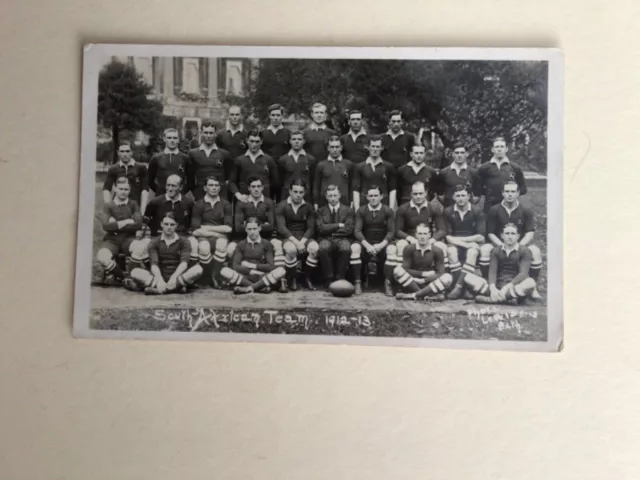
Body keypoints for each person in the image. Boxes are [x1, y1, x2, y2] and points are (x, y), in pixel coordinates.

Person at [479, 180, 543, 299]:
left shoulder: (526, 210)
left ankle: (533, 287)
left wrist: (518, 246)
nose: (509, 194)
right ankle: (489, 283)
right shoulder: (494, 210)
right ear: (502, 193)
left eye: (512, 191)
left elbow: (529, 232)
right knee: (485, 249)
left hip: (519, 243)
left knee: (535, 250)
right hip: (499, 244)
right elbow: (490, 233)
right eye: (507, 191)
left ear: (518, 193)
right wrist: (502, 245)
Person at [124, 212, 203, 294]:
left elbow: (184, 263)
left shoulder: (183, 241)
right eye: (166, 224)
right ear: (161, 224)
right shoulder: (154, 242)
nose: (169, 227)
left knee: (198, 269)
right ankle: (176, 288)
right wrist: (160, 280)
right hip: (160, 275)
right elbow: (154, 264)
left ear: (176, 225)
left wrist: (174, 277)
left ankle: (161, 290)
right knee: (135, 272)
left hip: (177, 275)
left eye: (172, 225)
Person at [464, 223, 537, 304]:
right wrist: (492, 288)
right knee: (468, 277)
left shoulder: (524, 251)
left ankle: (493, 300)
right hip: (498, 286)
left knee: (531, 282)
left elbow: (523, 274)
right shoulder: (496, 250)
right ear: (502, 236)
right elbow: (492, 271)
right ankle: (506, 299)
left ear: (518, 236)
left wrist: (507, 287)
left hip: (514, 287)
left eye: (513, 234)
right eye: (507, 233)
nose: (510, 236)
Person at [95, 177, 144, 284]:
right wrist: (127, 221)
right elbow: (106, 226)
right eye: (120, 189)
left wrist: (116, 224)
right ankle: (122, 276)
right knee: (102, 256)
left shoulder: (133, 204)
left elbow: (138, 224)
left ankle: (133, 276)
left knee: (140, 247)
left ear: (129, 190)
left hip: (128, 239)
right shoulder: (109, 205)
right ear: (115, 189)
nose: (123, 192)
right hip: (112, 241)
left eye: (126, 189)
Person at [272, 179, 319, 291]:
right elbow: (281, 227)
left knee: (315, 248)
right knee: (291, 249)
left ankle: (307, 278)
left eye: (301, 192)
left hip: (303, 237)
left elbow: (311, 227)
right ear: (290, 191)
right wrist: (296, 242)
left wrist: (302, 242)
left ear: (305, 193)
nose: (298, 195)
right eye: (295, 192)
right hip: (287, 237)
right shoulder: (281, 206)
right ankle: (293, 278)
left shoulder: (308, 206)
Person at [220, 217, 286, 295]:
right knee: (224, 271)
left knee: (281, 271)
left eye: (254, 229)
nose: (252, 232)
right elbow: (236, 266)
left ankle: (247, 288)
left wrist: (252, 266)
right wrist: (251, 271)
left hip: (262, 276)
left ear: (260, 228)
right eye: (249, 229)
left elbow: (270, 266)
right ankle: (257, 288)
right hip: (246, 276)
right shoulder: (241, 244)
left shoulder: (266, 243)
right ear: (245, 229)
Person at [442, 184, 486, 300]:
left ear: (469, 197)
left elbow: (481, 236)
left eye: (463, 195)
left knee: (472, 252)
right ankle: (464, 288)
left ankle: (459, 287)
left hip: (470, 244)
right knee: (451, 251)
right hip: (456, 244)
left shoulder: (477, 211)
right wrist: (466, 243)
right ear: (453, 197)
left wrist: (466, 241)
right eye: (458, 196)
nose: (460, 198)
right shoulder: (448, 211)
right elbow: (448, 237)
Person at [191, 176, 235, 287]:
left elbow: (229, 228)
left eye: (216, 185)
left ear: (220, 188)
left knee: (221, 245)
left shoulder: (226, 204)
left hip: (220, 237)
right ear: (205, 188)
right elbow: (195, 230)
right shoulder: (198, 204)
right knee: (204, 247)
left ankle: (215, 276)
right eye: (211, 185)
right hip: (205, 236)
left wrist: (206, 228)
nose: (214, 188)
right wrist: (216, 232)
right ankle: (208, 275)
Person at [393, 181, 448, 271]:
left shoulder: (433, 208)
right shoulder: (403, 209)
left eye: (420, 193)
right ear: (411, 194)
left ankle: (442, 276)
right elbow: (397, 230)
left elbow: (442, 230)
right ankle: (400, 276)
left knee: (442, 246)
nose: (418, 196)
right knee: (401, 244)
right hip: (410, 240)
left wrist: (432, 240)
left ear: (425, 193)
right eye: (415, 194)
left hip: (428, 238)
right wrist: (410, 239)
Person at [351, 186, 396, 296]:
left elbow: (391, 231)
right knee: (355, 248)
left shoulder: (387, 210)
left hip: (382, 243)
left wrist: (381, 245)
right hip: (366, 243)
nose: (373, 198)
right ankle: (357, 282)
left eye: (376, 195)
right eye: (370, 196)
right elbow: (357, 231)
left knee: (392, 249)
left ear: (381, 196)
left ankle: (388, 283)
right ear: (366, 197)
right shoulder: (361, 210)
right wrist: (367, 245)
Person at [394, 224, 452, 301]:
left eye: (425, 234)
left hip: (430, 284)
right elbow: (405, 269)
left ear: (429, 235)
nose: (422, 236)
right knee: (397, 270)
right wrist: (422, 274)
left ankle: (414, 296)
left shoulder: (437, 250)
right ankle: (425, 295)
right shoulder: (409, 248)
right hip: (412, 282)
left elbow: (440, 273)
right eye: (420, 234)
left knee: (448, 277)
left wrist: (424, 280)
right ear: (416, 235)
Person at [316, 185, 355, 287]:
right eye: (330, 196)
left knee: (346, 248)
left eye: (335, 195)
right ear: (326, 197)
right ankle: (328, 278)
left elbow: (349, 229)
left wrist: (331, 232)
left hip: (343, 238)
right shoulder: (320, 211)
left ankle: (340, 278)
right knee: (323, 248)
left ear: (339, 196)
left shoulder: (348, 210)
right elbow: (320, 229)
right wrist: (338, 225)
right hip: (325, 239)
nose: (333, 198)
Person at [478, 137, 527, 212]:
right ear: (492, 149)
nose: (499, 149)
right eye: (497, 147)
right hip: (490, 207)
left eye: (502, 146)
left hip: (509, 208)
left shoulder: (515, 167)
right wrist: (490, 193)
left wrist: (511, 195)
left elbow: (523, 188)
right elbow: (478, 187)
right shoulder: (484, 168)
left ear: (506, 149)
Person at [187, 121, 233, 201]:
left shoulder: (225, 154)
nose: (208, 136)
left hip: (220, 197)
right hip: (200, 196)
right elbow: (190, 178)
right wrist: (196, 193)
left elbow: (229, 178)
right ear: (201, 133)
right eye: (206, 132)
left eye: (211, 133)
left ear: (215, 134)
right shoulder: (192, 154)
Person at [229, 129, 279, 202]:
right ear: (247, 140)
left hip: (263, 202)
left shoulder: (269, 160)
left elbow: (275, 183)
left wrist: (268, 199)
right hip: (245, 201)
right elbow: (232, 182)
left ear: (261, 141)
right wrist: (239, 195)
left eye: (257, 141)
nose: (254, 144)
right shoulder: (239, 160)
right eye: (251, 141)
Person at [103, 140, 149, 213]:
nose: (125, 154)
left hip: (135, 206)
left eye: (127, 151)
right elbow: (106, 189)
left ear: (131, 152)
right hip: (118, 206)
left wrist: (142, 211)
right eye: (122, 151)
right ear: (118, 153)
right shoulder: (113, 169)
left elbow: (145, 190)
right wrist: (109, 208)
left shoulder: (141, 168)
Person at [352, 135, 397, 210]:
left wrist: (391, 209)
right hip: (364, 206)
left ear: (381, 148)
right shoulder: (359, 167)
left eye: (377, 146)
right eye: (373, 146)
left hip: (383, 205)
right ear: (368, 147)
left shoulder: (389, 167)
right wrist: (357, 210)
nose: (375, 149)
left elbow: (392, 189)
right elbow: (356, 190)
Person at [312, 135, 354, 208]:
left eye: (337, 147)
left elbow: (351, 186)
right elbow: (316, 186)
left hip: (344, 203)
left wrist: (352, 201)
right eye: (332, 147)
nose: (334, 150)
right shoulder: (321, 165)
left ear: (341, 148)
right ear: (328, 148)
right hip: (324, 204)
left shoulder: (348, 164)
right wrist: (316, 202)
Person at [435, 143, 481, 208]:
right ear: (453, 154)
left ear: (466, 154)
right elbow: (440, 195)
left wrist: (467, 206)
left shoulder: (474, 172)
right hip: (449, 212)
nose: (459, 155)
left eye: (462, 152)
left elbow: (477, 195)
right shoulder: (444, 172)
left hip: (468, 213)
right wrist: (449, 206)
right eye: (457, 153)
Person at [148, 128, 191, 196]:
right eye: (169, 138)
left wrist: (181, 193)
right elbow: (150, 181)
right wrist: (160, 192)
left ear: (178, 140)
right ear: (164, 139)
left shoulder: (185, 158)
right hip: (161, 198)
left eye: (175, 138)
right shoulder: (156, 158)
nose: (172, 140)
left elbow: (190, 181)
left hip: (179, 199)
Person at [277, 130, 316, 203]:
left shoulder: (311, 159)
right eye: (294, 139)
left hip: (305, 196)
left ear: (304, 141)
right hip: (287, 196)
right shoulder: (283, 159)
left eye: (299, 139)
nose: (296, 141)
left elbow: (313, 181)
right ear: (290, 141)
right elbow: (280, 182)